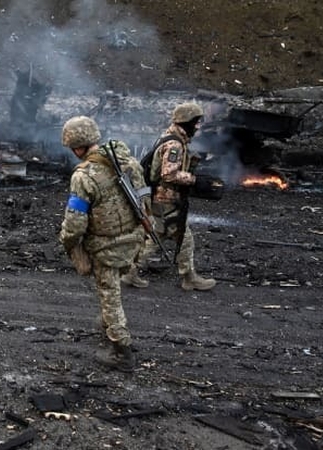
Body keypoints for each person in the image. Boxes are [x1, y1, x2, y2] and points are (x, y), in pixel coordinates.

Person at [58, 115, 146, 372]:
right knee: (113, 288)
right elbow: (144, 198)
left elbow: (75, 222)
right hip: (134, 238)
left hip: (106, 246)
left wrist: (67, 242)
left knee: (110, 295)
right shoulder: (128, 161)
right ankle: (108, 324)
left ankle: (121, 351)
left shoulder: (83, 176)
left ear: (77, 147)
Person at [122, 102, 216, 291]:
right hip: (166, 199)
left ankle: (130, 272)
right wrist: (194, 180)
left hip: (160, 198)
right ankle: (189, 278)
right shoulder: (175, 144)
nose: (198, 127)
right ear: (187, 122)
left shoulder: (170, 137)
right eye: (196, 123)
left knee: (157, 235)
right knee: (183, 237)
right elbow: (168, 174)